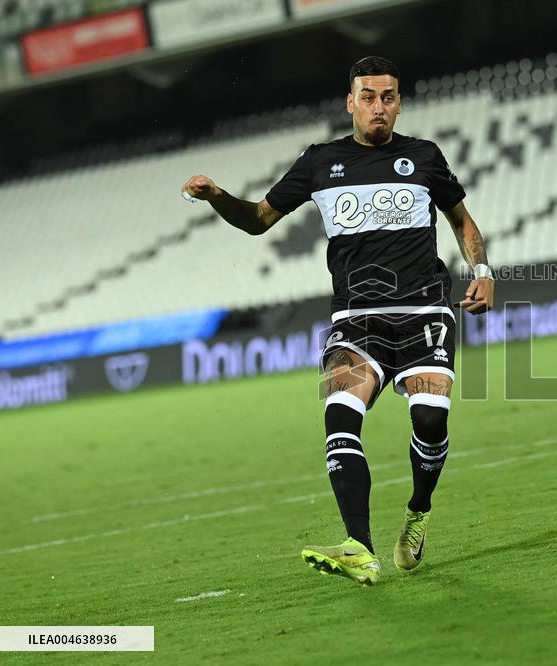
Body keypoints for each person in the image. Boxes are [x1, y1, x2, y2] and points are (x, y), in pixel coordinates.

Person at [181, 56, 494, 586]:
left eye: (389, 97)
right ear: (350, 102)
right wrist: (217, 199)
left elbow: (461, 219)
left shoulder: (424, 156)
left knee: (430, 421)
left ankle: (418, 512)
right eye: (369, 97)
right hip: (356, 317)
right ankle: (359, 545)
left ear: (399, 102)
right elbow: (258, 220)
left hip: (424, 310)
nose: (380, 106)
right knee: (340, 413)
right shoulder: (320, 161)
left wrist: (481, 269)